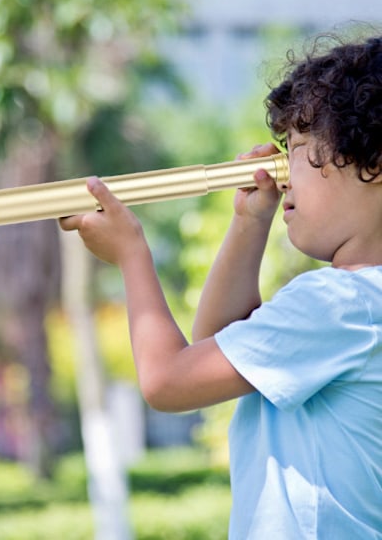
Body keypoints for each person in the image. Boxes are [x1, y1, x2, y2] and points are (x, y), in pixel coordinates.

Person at [59, 34, 382, 538]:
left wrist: (131, 254)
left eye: (296, 150)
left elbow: (168, 380)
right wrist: (249, 223)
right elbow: (217, 343)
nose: (284, 175)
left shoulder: (339, 303)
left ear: (373, 163)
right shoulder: (359, 306)